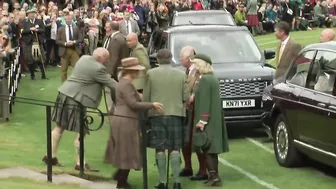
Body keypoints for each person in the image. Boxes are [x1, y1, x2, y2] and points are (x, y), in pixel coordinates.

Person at [42, 48, 116, 172]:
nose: (107, 61)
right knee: (81, 131)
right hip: (76, 99)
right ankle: (80, 163)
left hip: (65, 93)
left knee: (59, 126)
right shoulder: (98, 69)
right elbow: (112, 84)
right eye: (106, 58)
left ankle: (50, 156)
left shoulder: (84, 58)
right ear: (100, 58)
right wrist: (131, 92)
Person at [104, 57, 163, 189]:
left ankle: (119, 175)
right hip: (126, 120)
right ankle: (122, 182)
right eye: (137, 71)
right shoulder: (126, 84)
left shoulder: (123, 83)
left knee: (124, 149)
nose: (139, 73)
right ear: (131, 71)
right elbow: (133, 104)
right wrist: (152, 104)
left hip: (121, 118)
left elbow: (135, 97)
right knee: (128, 150)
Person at [143, 49, 189, 189]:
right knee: (175, 148)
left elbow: (146, 98)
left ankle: (163, 182)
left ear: (157, 59)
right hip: (176, 114)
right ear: (171, 59)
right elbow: (186, 97)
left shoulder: (150, 73)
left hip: (157, 115)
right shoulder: (181, 74)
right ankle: (176, 182)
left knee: (160, 148)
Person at [191, 54, 229, 187]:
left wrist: (202, 120)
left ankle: (214, 176)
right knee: (211, 149)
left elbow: (205, 101)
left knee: (208, 148)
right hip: (214, 118)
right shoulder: (212, 78)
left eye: (196, 64)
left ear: (202, 64)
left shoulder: (205, 80)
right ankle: (214, 175)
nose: (195, 67)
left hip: (208, 120)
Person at [179, 46, 208, 181]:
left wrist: (193, 96)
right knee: (186, 140)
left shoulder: (198, 72)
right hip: (187, 110)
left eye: (182, 58)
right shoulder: (186, 71)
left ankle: (203, 170)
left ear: (189, 59)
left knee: (197, 141)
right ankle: (188, 167)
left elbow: (199, 87)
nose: (180, 61)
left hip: (196, 111)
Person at [103, 21, 130, 111]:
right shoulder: (122, 37)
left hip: (117, 70)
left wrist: (109, 73)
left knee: (115, 90)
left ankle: (116, 109)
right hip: (122, 68)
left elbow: (114, 57)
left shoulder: (115, 39)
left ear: (110, 28)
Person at [21, 7, 47, 80]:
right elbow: (22, 31)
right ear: (28, 14)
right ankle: (32, 75)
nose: (32, 15)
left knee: (41, 59)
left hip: (38, 42)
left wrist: (37, 30)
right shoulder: (25, 22)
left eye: (33, 13)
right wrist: (30, 29)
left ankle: (43, 74)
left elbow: (43, 30)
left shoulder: (39, 21)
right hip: (29, 43)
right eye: (30, 13)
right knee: (30, 60)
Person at [56, 14, 82, 82]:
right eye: (67, 19)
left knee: (78, 68)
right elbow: (57, 41)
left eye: (69, 19)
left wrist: (74, 42)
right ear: (65, 20)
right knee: (63, 70)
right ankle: (64, 87)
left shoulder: (76, 28)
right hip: (64, 51)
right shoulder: (60, 29)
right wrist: (65, 43)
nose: (68, 20)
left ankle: (77, 83)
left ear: (71, 20)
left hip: (74, 50)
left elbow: (81, 38)